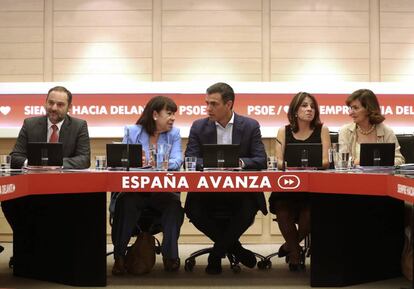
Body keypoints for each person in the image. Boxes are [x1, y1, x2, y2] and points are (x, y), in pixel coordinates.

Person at [1, 85, 91, 266]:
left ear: (69, 107)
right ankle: (26, 246)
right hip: (31, 189)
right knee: (9, 201)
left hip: (64, 189)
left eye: (60, 104)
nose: (54, 108)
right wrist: (30, 163)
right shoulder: (30, 124)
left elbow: (84, 159)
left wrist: (53, 164)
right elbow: (16, 156)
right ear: (45, 103)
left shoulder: (79, 126)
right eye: (51, 103)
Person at [184, 82, 268, 274]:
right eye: (207, 103)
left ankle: (216, 254)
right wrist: (213, 165)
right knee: (193, 210)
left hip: (240, 191)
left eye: (214, 104)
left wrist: (238, 163)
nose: (208, 108)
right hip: (207, 191)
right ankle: (235, 249)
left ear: (229, 104)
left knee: (247, 210)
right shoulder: (198, 126)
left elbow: (260, 160)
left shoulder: (250, 126)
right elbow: (190, 159)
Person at [111, 95, 184, 275]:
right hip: (136, 190)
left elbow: (177, 161)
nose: (173, 118)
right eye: (169, 113)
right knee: (125, 202)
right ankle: (119, 257)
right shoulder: (132, 131)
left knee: (173, 205)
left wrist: (153, 162)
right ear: (154, 115)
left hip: (162, 192)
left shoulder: (174, 134)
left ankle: (170, 256)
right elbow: (122, 161)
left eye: (174, 114)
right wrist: (158, 163)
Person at [269, 92, 331, 271]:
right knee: (283, 213)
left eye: (312, 106)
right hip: (288, 187)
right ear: (295, 110)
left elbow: (326, 162)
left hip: (313, 188)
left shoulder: (322, 130)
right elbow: (279, 162)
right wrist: (290, 165)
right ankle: (296, 252)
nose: (309, 109)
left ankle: (290, 247)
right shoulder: (284, 130)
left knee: (309, 215)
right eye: (304, 105)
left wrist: (305, 165)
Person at [339, 88, 404, 166]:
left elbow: (399, 160)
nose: (350, 113)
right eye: (350, 108)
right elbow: (342, 162)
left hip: (380, 177)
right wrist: (357, 162)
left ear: (368, 109)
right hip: (354, 177)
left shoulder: (386, 131)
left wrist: (371, 161)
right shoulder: (345, 131)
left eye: (356, 108)